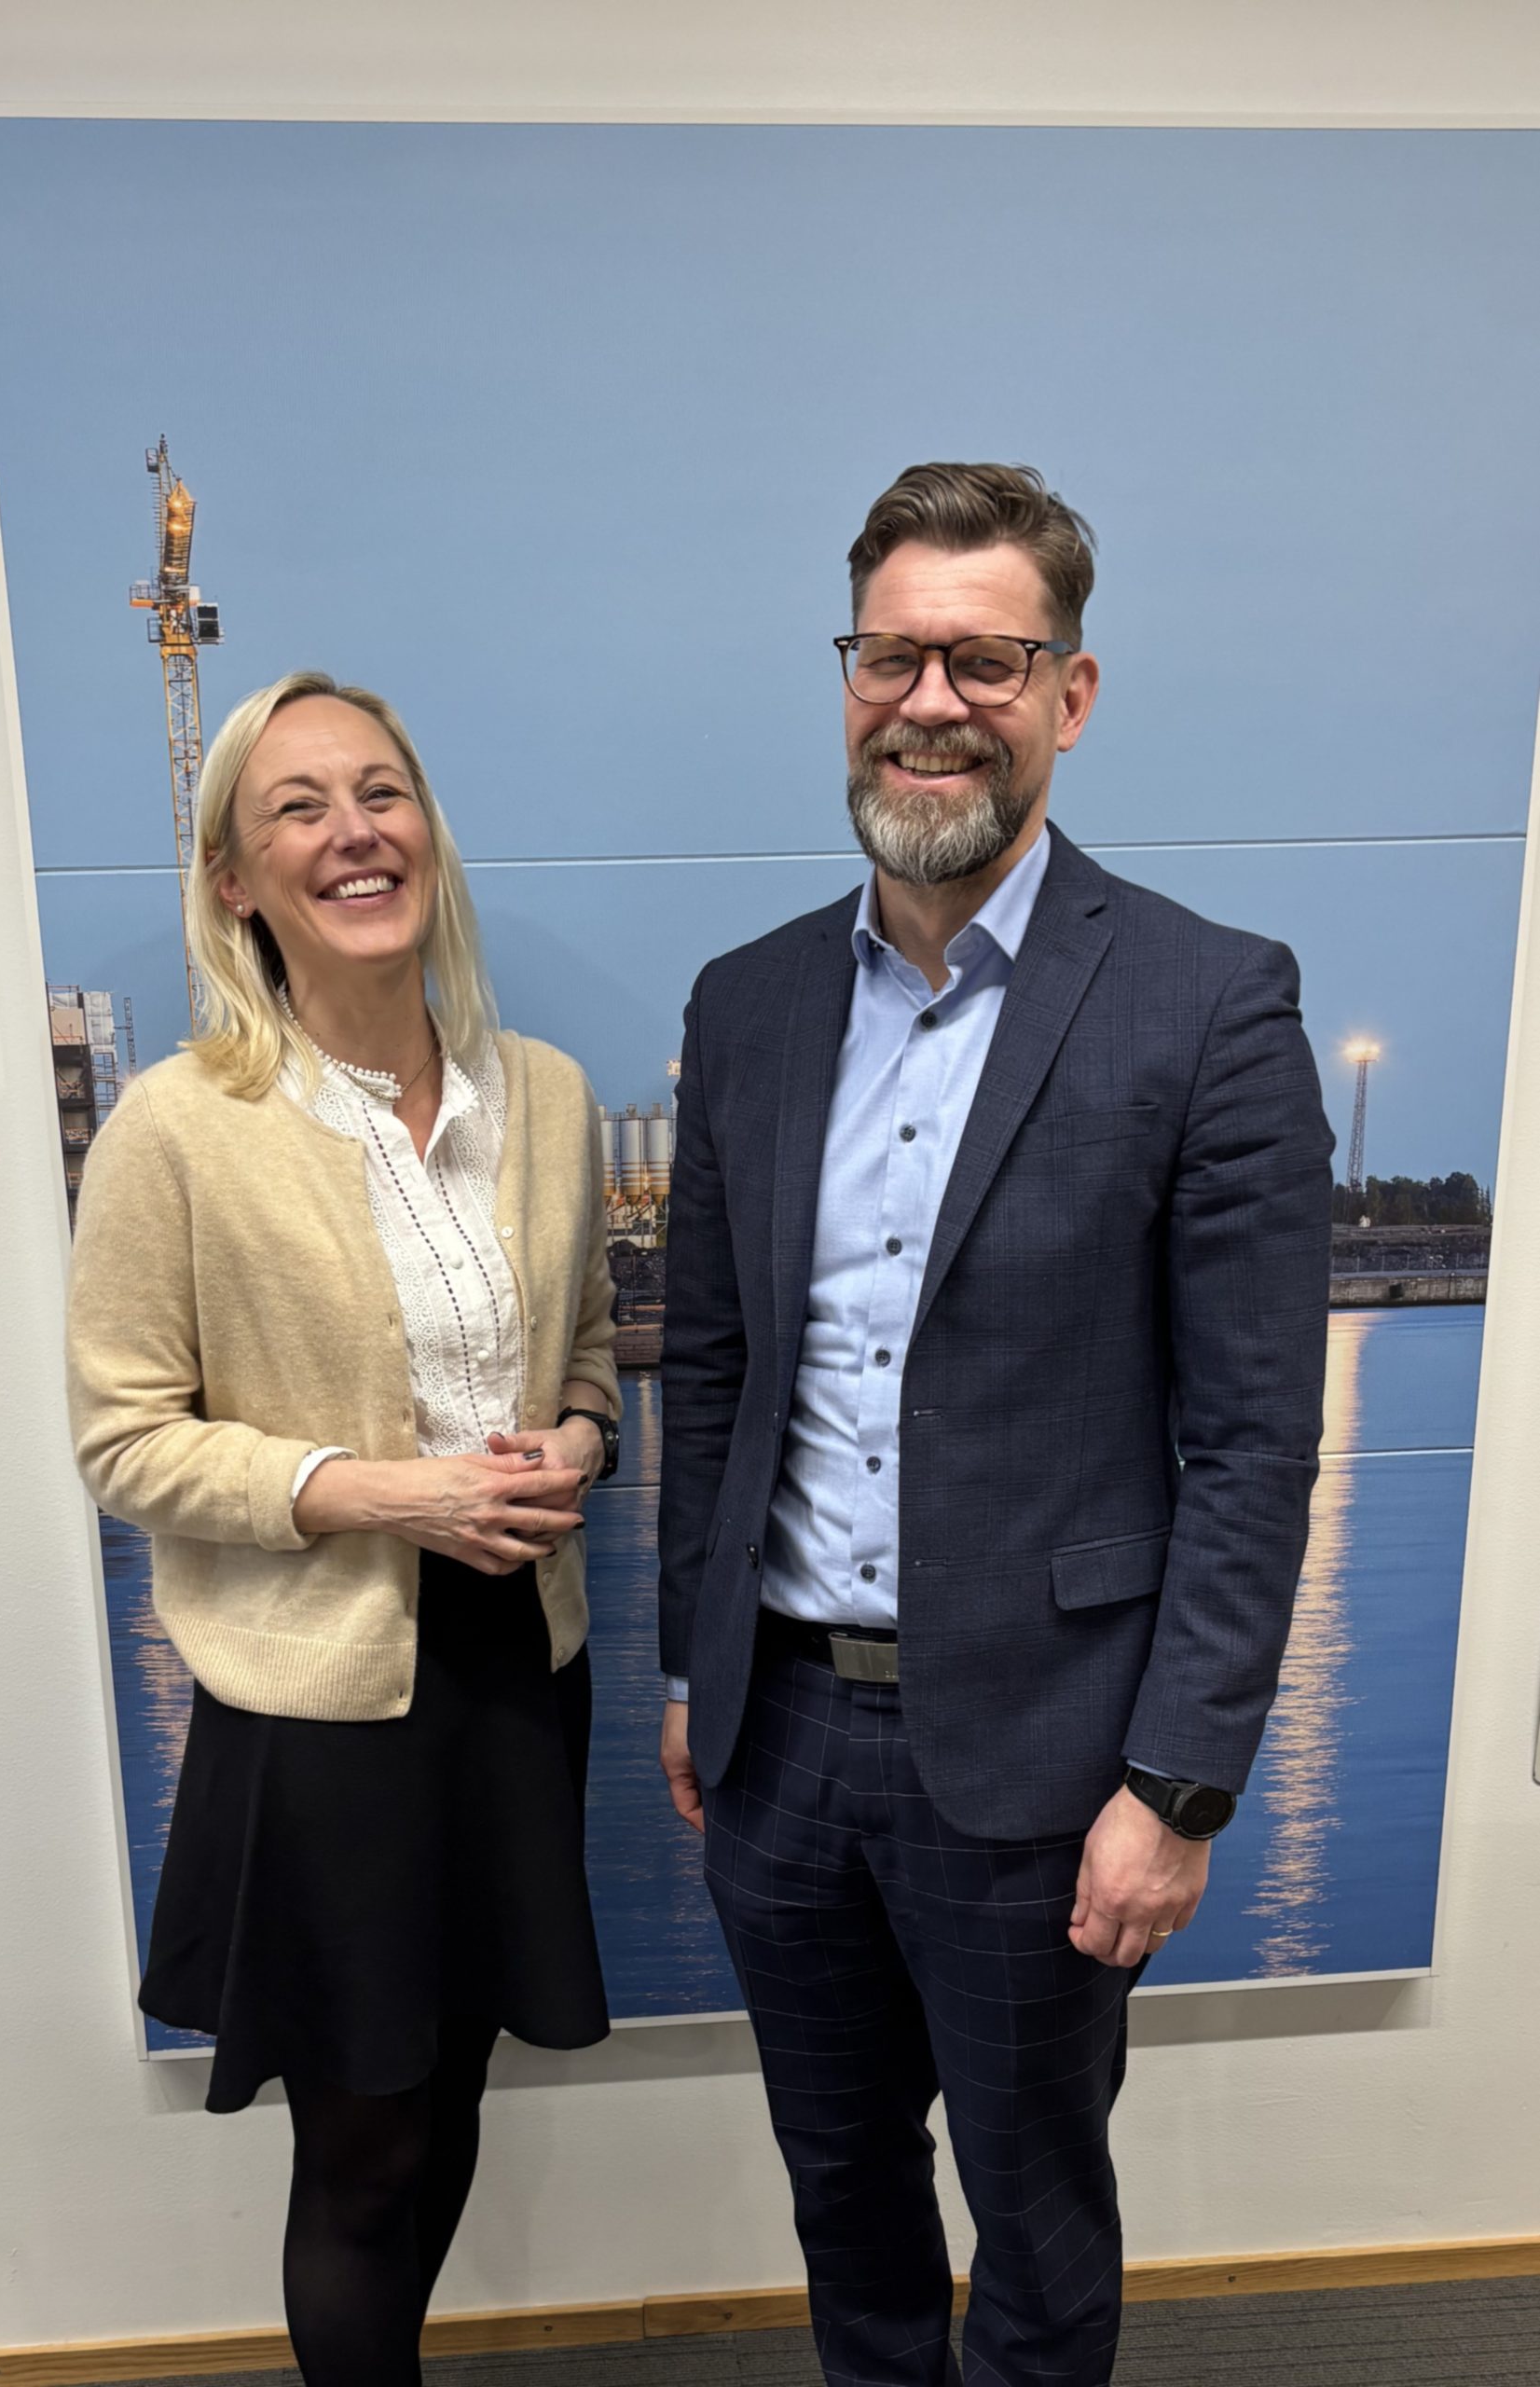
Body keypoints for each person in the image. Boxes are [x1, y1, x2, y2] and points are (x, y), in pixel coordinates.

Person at [656, 465, 1334, 2387]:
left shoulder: (1207, 1002)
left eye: (984, 659)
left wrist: (1176, 1787)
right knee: (842, 2188)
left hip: (1050, 1766)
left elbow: (1252, 1444)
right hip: (780, 1744)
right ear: (845, 678)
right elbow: (709, 1368)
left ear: (1069, 692)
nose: (930, 702)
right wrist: (695, 1668)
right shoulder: (749, 1004)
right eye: (891, 657)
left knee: (1033, 2220)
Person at [67, 671, 622, 2386]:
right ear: (234, 878)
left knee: (453, 2092)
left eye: (381, 792)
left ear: (427, 833)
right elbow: (123, 1441)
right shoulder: (178, 1125)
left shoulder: (546, 1096)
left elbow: (594, 1351)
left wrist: (580, 1441)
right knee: (363, 2143)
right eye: (296, 807)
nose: (353, 832)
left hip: (517, 1672)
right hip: (321, 1708)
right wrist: (380, 1493)